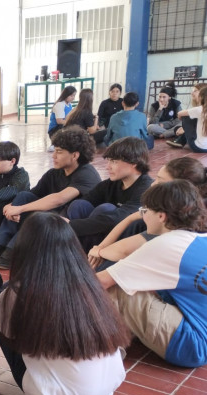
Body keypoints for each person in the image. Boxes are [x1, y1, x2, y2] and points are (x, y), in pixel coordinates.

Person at [0, 213, 131, 395]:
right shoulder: (91, 284)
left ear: (25, 249)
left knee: (0, 310)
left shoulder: (19, 293)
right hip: (107, 389)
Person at [97, 181, 207, 368]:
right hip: (197, 331)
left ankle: (97, 356)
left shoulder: (166, 245)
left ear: (161, 216)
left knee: (117, 289)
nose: (143, 216)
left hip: (192, 346)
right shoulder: (200, 238)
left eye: (145, 211)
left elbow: (100, 283)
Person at [0, 128, 101, 269]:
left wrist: (20, 209)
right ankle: (0, 244)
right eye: (54, 150)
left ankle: (15, 250)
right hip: (53, 216)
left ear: (75, 155)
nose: (53, 156)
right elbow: (32, 195)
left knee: (43, 213)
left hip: (70, 223)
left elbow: (59, 199)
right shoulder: (54, 173)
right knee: (23, 196)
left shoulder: (87, 174)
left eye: (59, 152)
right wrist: (12, 205)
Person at [88, 157, 207, 269]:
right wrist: (100, 248)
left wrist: (99, 251)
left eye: (160, 181)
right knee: (135, 224)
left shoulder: (179, 219)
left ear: (179, 187)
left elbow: (122, 251)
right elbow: (131, 218)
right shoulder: (179, 204)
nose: (153, 184)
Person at [67, 137, 153, 252]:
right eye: (108, 161)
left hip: (124, 241)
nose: (108, 167)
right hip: (99, 232)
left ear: (134, 163)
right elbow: (88, 199)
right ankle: (74, 247)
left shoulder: (146, 189)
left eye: (114, 162)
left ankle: (84, 252)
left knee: (106, 209)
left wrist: (70, 225)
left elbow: (116, 219)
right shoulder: (112, 183)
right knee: (79, 205)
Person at [167, 85, 207, 153]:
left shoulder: (199, 109)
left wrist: (184, 126)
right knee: (177, 128)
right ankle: (180, 139)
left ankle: (180, 141)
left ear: (201, 97)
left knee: (186, 116)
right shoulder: (200, 109)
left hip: (198, 147)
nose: (192, 93)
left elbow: (180, 113)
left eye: (195, 91)